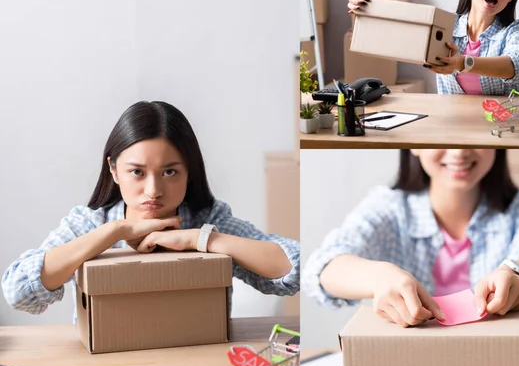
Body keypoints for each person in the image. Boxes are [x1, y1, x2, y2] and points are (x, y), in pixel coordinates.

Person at [3, 101, 299, 317]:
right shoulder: (90, 222)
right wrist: (114, 232)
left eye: (169, 172)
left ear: (190, 172)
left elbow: (295, 268)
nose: (154, 190)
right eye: (137, 172)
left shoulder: (209, 218)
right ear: (114, 170)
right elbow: (17, 291)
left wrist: (200, 239)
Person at [302, 149, 519, 327]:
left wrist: (518, 273)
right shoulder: (389, 207)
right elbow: (324, 266)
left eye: (469, 137)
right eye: (441, 138)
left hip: (499, 365)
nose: (459, 153)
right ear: (414, 144)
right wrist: (379, 277)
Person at [348, 0, 519, 96]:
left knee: (457, 150)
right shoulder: (445, 26)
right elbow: (397, 38)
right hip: (450, 123)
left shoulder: (515, 30)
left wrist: (463, 63)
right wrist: (368, 7)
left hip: (499, 127)